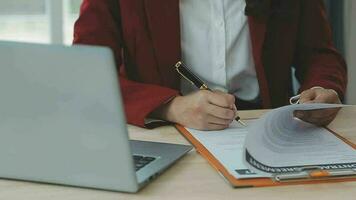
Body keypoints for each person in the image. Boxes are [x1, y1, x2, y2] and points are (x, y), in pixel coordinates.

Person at [73, 0, 347, 130]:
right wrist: (170, 106)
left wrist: (322, 88)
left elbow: (319, 53)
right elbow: (86, 73)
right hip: (164, 128)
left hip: (266, 127)